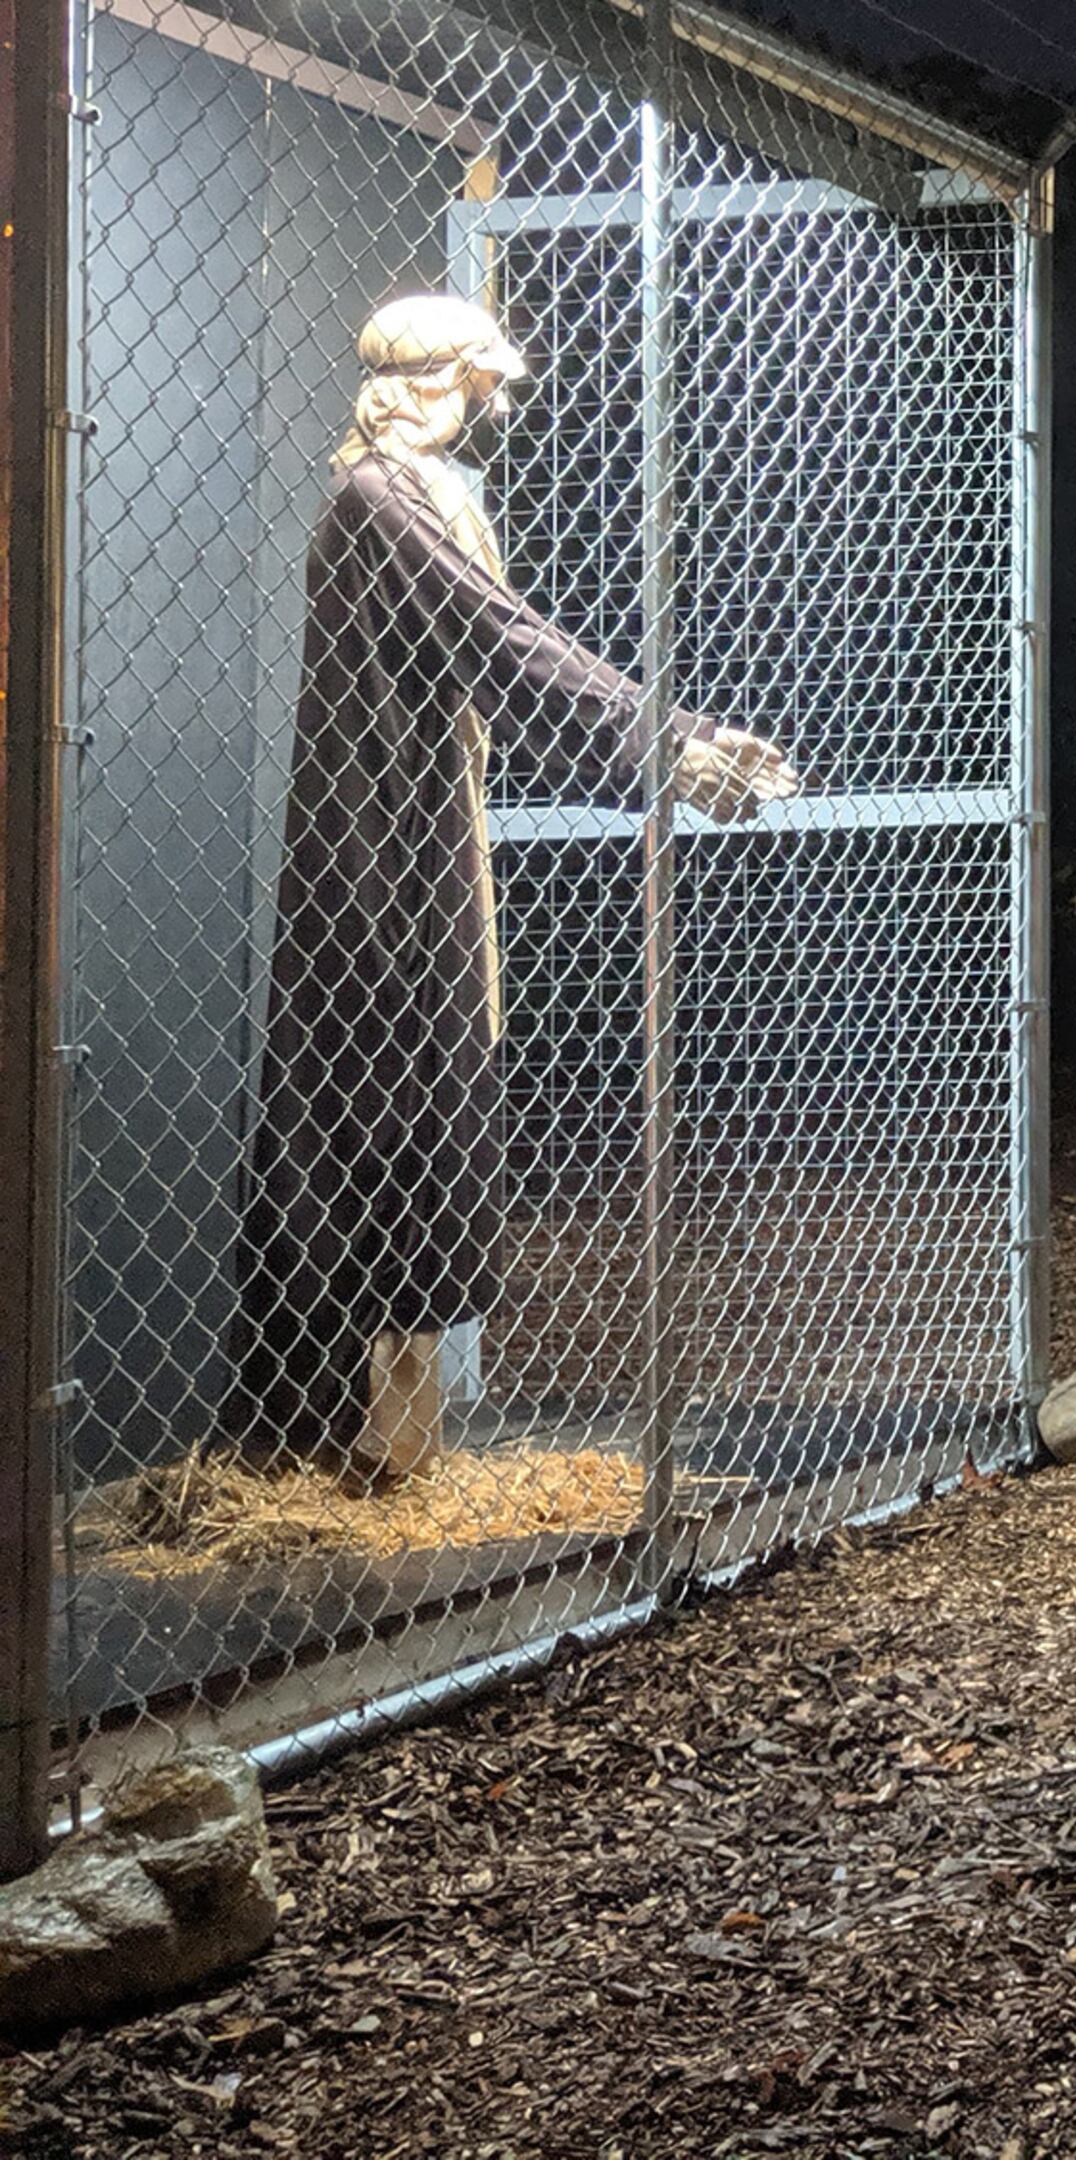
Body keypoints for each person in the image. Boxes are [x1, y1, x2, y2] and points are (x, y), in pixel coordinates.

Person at [226, 295, 799, 1494]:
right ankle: (345, 1435)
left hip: (423, 823)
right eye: (480, 386)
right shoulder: (379, 495)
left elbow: (501, 651)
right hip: (376, 842)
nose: (490, 408)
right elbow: (504, 640)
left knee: (431, 1087)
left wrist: (670, 741)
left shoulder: (421, 492)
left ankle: (393, 1440)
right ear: (437, 380)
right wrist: (670, 745)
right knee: (382, 1092)